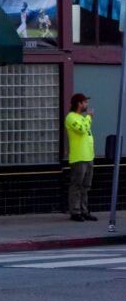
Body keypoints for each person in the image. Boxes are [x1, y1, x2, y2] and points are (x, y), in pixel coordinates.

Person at [65, 93, 97, 222]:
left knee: (86, 186)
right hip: (78, 157)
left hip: (88, 157)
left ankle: (84, 210)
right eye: (85, 102)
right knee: (77, 185)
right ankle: (75, 211)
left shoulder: (82, 117)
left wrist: (87, 118)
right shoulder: (71, 117)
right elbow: (82, 130)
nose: (87, 105)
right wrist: (89, 117)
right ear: (79, 103)